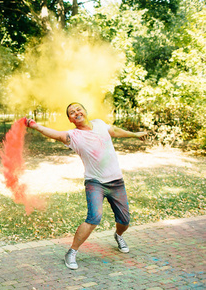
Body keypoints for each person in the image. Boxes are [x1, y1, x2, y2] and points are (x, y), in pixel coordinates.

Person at [25, 102, 147, 270]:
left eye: (78, 109)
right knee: (94, 217)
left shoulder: (99, 124)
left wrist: (135, 134)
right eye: (72, 112)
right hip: (95, 182)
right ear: (70, 120)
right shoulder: (73, 136)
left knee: (125, 221)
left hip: (116, 182)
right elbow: (53, 134)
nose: (76, 112)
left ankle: (118, 235)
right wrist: (35, 126)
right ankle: (72, 252)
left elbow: (115, 131)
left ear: (85, 111)